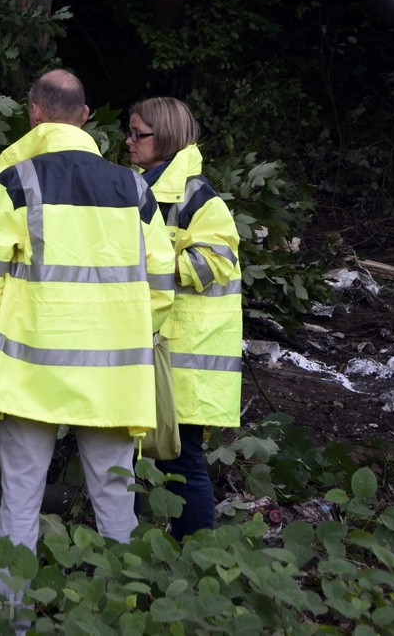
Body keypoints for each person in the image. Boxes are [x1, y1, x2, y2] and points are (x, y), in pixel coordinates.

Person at [0, 69, 176, 563]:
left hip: (29, 374)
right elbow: (162, 282)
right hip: (113, 378)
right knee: (116, 506)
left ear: (34, 113)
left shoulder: (14, 182)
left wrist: (7, 330)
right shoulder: (135, 188)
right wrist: (132, 333)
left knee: (18, 503)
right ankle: (115, 615)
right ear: (84, 117)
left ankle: (10, 617)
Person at [126, 96, 243, 540]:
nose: (130, 141)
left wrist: (151, 263)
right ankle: (147, 551)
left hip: (186, 359)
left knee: (182, 460)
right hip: (158, 351)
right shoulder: (144, 187)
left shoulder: (198, 196)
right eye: (131, 132)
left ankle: (197, 554)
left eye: (140, 134)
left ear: (168, 137)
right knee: (136, 456)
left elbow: (215, 261)